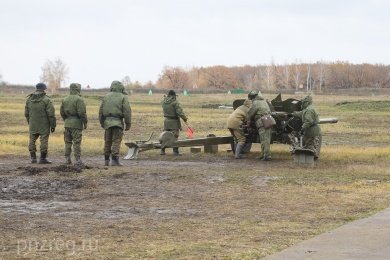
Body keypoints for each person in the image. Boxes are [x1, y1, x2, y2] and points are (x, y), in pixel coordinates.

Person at [99, 81, 131, 166]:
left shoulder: (106, 96)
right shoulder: (123, 97)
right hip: (117, 123)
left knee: (107, 141)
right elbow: (127, 111)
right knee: (116, 141)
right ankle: (115, 160)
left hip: (107, 123)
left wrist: (102, 123)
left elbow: (101, 111)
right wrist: (128, 124)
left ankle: (106, 160)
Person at [25, 83, 56, 164]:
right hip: (44, 124)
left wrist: (30, 122)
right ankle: (42, 159)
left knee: (32, 140)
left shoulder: (29, 99)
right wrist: (53, 125)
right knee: (44, 141)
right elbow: (51, 114)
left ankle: (33, 158)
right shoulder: (47, 99)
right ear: (44, 89)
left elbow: (26, 113)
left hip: (33, 124)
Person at [60, 83, 88, 166]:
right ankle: (78, 160)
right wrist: (85, 122)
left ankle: (67, 159)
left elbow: (62, 112)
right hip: (76, 124)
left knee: (67, 142)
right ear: (77, 89)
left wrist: (67, 120)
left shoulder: (65, 99)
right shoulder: (79, 99)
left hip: (67, 123)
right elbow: (81, 113)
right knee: (77, 142)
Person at [160, 90, 188, 155]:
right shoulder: (175, 102)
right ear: (174, 96)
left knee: (164, 136)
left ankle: (162, 151)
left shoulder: (163, 102)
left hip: (166, 121)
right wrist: (185, 119)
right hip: (174, 122)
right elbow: (180, 112)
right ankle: (175, 151)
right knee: (175, 136)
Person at [247, 90, 272, 161]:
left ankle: (266, 155)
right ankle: (263, 154)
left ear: (253, 97)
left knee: (263, 139)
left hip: (261, 121)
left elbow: (250, 113)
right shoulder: (264, 102)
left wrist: (248, 120)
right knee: (266, 138)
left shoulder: (255, 103)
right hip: (268, 120)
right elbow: (270, 111)